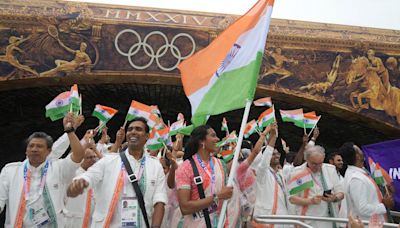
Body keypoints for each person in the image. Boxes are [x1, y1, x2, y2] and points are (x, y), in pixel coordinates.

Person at [67, 117, 167, 228]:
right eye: (130, 129)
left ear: (147, 136)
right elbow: (90, 176)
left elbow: (159, 200)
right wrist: (80, 183)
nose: (133, 132)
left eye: (138, 129)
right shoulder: (109, 160)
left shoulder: (155, 166)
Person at [0, 113, 84, 227]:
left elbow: (78, 155)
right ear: (26, 150)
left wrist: (70, 131)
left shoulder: (58, 168)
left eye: (39, 147)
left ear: (49, 151)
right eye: (31, 146)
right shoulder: (10, 171)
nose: (34, 149)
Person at [175, 125, 233, 227]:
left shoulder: (221, 164)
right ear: (202, 141)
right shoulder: (186, 168)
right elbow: (185, 208)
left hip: (220, 223)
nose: (217, 139)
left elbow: (226, 198)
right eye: (213, 136)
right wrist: (217, 197)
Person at [288, 145, 344, 228]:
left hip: (329, 220)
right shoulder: (298, 173)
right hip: (308, 221)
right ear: (306, 160)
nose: (318, 167)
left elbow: (341, 193)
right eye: (314, 164)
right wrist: (310, 201)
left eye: (320, 163)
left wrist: (334, 198)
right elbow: (292, 199)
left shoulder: (330, 169)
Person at [338, 142, 394, 222]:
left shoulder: (361, 173)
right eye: (359, 150)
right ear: (357, 156)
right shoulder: (356, 179)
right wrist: (384, 205)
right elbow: (363, 209)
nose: (362, 151)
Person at [252, 123, 290, 228]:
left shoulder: (281, 174)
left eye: (277, 153)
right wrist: (273, 138)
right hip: (267, 218)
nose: (276, 155)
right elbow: (264, 162)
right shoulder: (262, 173)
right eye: (273, 154)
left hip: (283, 218)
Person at [64, 147, 100, 228]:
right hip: (74, 220)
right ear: (81, 159)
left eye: (94, 157)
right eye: (89, 157)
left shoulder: (96, 175)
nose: (93, 159)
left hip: (91, 220)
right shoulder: (73, 173)